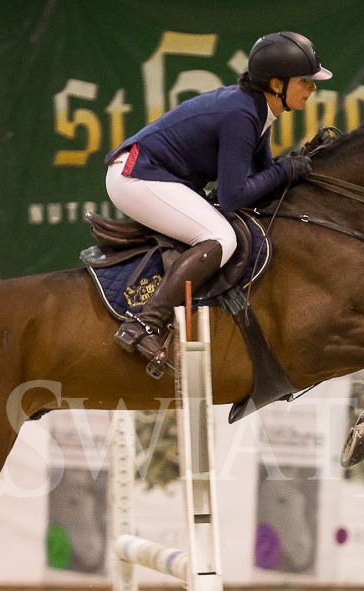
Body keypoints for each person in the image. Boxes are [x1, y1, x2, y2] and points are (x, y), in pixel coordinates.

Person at [105, 32, 333, 369]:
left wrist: (293, 167)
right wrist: (286, 169)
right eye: (305, 81)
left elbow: (265, 174)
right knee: (221, 238)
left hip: (153, 175)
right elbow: (232, 197)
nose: (312, 88)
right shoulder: (241, 115)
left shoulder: (258, 110)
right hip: (136, 177)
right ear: (276, 84)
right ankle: (143, 323)